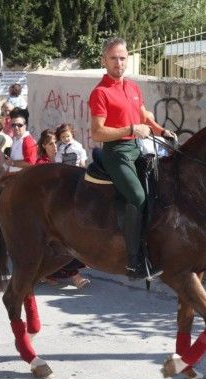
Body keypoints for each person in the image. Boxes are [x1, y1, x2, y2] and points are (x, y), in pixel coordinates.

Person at [88, 37, 176, 280]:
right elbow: (97, 132)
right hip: (116, 152)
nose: (119, 62)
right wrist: (130, 130)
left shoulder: (133, 88)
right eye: (114, 58)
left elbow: (143, 115)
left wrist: (161, 131)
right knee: (137, 197)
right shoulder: (100, 93)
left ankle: (152, 246)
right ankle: (133, 261)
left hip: (137, 148)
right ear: (104, 60)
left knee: (160, 188)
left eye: (123, 58)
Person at [36, 129, 91, 289]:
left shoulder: (66, 159)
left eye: (56, 143)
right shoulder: (42, 164)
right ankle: (75, 277)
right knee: (60, 245)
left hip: (65, 210)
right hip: (48, 213)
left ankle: (45, 273)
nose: (55, 146)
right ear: (44, 146)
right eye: (50, 144)